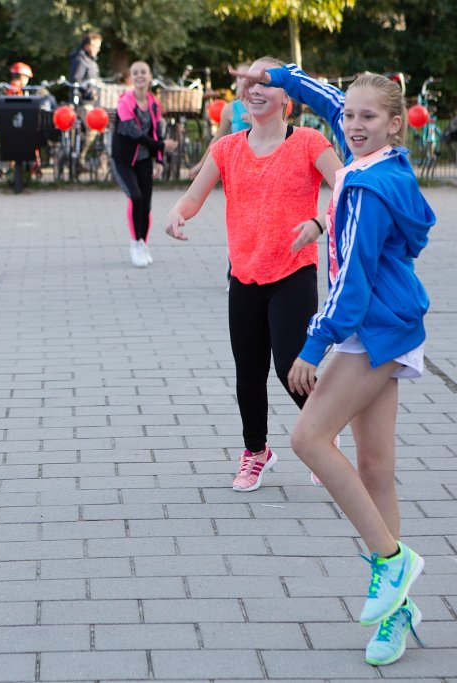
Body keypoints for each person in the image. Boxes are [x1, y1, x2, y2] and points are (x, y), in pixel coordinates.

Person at [237, 63, 436, 667]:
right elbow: (322, 95)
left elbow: (351, 283)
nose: (352, 125)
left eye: (367, 118)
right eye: (348, 115)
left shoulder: (371, 188)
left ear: (396, 126)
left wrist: (310, 346)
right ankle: (397, 613)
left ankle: (391, 560)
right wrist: (276, 73)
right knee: (375, 469)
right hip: (385, 324)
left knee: (306, 437)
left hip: (369, 328)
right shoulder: (377, 160)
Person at [164, 56, 343, 493]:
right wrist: (176, 213)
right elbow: (193, 196)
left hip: (293, 271)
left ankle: (321, 435)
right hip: (244, 275)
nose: (254, 90)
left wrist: (320, 223)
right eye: (248, 84)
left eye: (265, 83)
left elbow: (348, 187)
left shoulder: (308, 142)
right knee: (248, 372)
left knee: (290, 366)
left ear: (287, 97)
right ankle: (256, 452)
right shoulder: (225, 148)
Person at [111, 61, 177, 268]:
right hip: (123, 159)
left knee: (146, 204)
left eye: (143, 72)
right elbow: (134, 133)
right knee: (136, 197)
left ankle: (143, 244)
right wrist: (162, 146)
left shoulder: (154, 103)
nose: (140, 76)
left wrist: (158, 158)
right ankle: (134, 243)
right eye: (136, 73)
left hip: (143, 159)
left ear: (149, 77)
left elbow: (155, 131)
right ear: (131, 77)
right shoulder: (125, 102)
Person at [188, 62, 252, 179]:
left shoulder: (265, 105)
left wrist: (257, 122)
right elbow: (217, 139)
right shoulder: (230, 109)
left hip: (264, 164)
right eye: (239, 76)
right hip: (239, 166)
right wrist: (201, 164)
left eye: (247, 76)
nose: (243, 80)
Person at [68, 32, 103, 167]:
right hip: (84, 103)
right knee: (93, 126)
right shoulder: (80, 59)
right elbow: (75, 81)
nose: (98, 50)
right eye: (96, 46)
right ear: (88, 45)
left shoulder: (91, 61)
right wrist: (74, 101)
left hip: (93, 102)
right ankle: (80, 157)